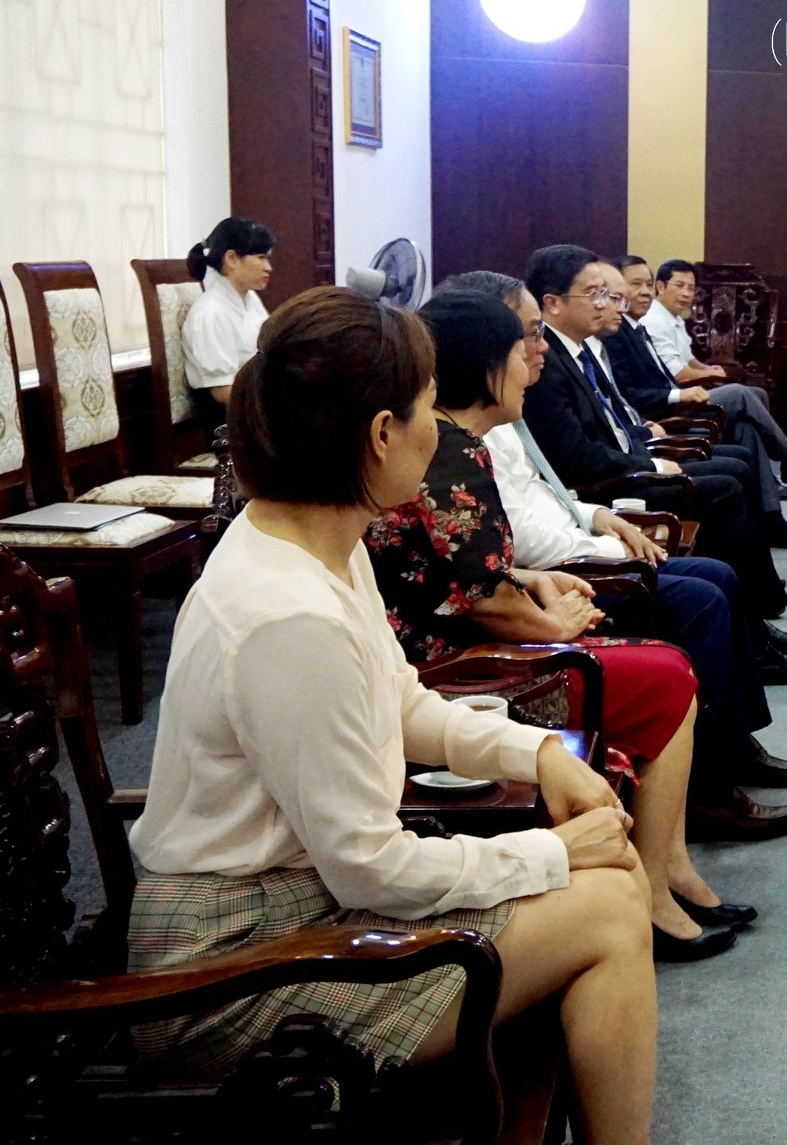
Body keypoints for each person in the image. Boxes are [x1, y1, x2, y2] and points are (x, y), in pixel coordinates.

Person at [126, 288, 665, 1141]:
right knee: (603, 903)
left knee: (603, 883)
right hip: (228, 968)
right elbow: (369, 869)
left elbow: (402, 701)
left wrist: (542, 756)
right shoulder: (288, 612)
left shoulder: (313, 538)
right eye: (423, 408)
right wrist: (549, 850)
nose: (434, 429)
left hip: (292, 905)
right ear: (380, 434)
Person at [362, 290, 751, 955]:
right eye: (522, 347)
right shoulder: (449, 451)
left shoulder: (458, 442)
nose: (532, 361)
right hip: (460, 669)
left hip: (464, 642)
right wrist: (558, 625)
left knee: (667, 659)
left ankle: (670, 866)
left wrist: (529, 583)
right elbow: (480, 598)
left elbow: (463, 568)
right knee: (667, 675)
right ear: (486, 363)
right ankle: (654, 891)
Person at [435, 270, 787, 842]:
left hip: (569, 546)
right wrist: (604, 542)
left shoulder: (497, 416)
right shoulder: (465, 442)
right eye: (526, 336)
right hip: (562, 574)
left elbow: (546, 495)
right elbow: (519, 539)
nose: (536, 349)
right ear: (485, 351)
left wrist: (598, 519)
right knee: (703, 590)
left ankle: (734, 743)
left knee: (713, 569)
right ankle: (710, 788)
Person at [518, 244, 787, 623]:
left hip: (622, 462)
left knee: (734, 468)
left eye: (607, 294)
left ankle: (755, 605)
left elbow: (611, 419)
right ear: (552, 303)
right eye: (594, 294)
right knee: (725, 486)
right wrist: (651, 462)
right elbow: (576, 458)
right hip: (608, 483)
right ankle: (756, 609)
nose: (606, 304)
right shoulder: (547, 366)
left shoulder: (576, 352)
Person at [596, 260, 787, 549]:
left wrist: (703, 373)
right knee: (743, 394)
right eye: (635, 285)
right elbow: (636, 394)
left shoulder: (637, 328)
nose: (644, 292)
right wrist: (683, 393)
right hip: (664, 413)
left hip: (672, 403)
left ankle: (771, 521)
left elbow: (673, 369)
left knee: (746, 427)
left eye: (646, 284)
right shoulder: (619, 334)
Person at [181, 216, 274, 416]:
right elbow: (223, 391)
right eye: (261, 257)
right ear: (231, 258)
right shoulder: (210, 313)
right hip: (233, 418)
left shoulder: (251, 299)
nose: (268, 267)